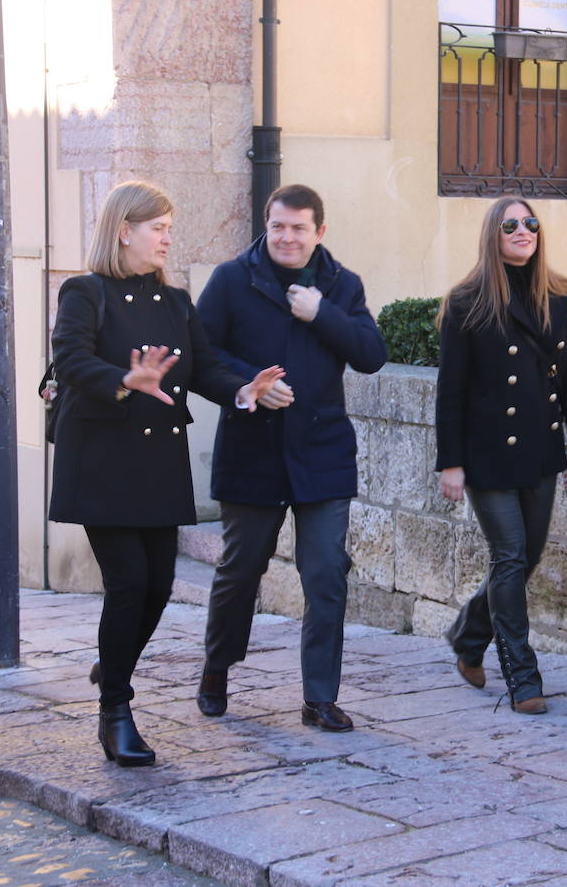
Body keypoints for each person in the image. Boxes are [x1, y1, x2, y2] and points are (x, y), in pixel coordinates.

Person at [48, 181, 282, 767]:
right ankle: (116, 712)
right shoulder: (85, 291)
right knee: (129, 582)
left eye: (169, 227)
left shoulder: (176, 302)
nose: (167, 238)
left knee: (156, 586)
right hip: (102, 462)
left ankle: (113, 661)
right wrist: (125, 381)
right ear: (124, 229)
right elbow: (71, 357)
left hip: (156, 463)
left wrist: (243, 390)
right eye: (159, 227)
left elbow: (202, 367)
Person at [195, 183, 387, 732]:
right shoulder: (232, 279)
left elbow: (372, 355)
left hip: (322, 453)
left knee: (326, 574)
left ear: (319, 232)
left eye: (299, 228)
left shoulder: (340, 285)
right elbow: (200, 357)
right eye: (278, 226)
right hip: (252, 452)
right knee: (240, 570)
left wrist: (322, 314)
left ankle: (319, 697)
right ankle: (216, 668)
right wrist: (246, 388)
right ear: (266, 224)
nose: (287, 237)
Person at [435, 197, 567, 715]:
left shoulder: (558, 296)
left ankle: (467, 634)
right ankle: (523, 677)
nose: (523, 231)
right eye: (510, 225)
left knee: (526, 559)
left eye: (530, 223)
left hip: (542, 450)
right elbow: (450, 390)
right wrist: (450, 462)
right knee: (509, 556)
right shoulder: (466, 301)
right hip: (487, 454)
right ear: (493, 235)